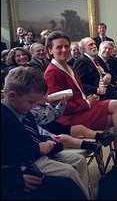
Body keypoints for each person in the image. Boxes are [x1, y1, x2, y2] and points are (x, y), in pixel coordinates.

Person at [43, 31, 117, 178]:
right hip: (70, 119)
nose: (64, 50)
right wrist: (87, 102)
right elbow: (60, 108)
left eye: (66, 46)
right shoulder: (52, 73)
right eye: (59, 47)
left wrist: (89, 98)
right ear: (50, 50)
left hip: (81, 111)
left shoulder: (69, 67)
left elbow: (78, 93)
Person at [1, 67, 89, 199]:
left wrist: (50, 141)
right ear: (12, 95)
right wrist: (39, 148)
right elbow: (9, 153)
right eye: (31, 102)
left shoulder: (25, 113)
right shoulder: (4, 118)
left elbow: (35, 136)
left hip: (36, 156)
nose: (33, 106)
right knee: (68, 175)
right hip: (25, 164)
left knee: (79, 160)